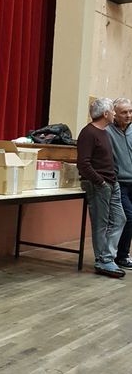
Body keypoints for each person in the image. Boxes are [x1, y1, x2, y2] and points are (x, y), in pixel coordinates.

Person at [77, 97, 127, 277]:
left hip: (111, 183)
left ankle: (107, 256)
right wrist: (100, 182)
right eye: (113, 111)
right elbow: (83, 163)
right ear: (105, 114)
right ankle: (103, 260)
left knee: (120, 219)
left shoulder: (105, 132)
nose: (114, 114)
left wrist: (111, 180)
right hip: (99, 185)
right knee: (101, 223)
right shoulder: (88, 133)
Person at [106, 97, 132, 268]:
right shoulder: (107, 132)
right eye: (124, 112)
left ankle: (122, 254)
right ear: (114, 114)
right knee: (128, 217)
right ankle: (120, 255)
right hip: (119, 183)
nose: (128, 115)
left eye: (130, 112)